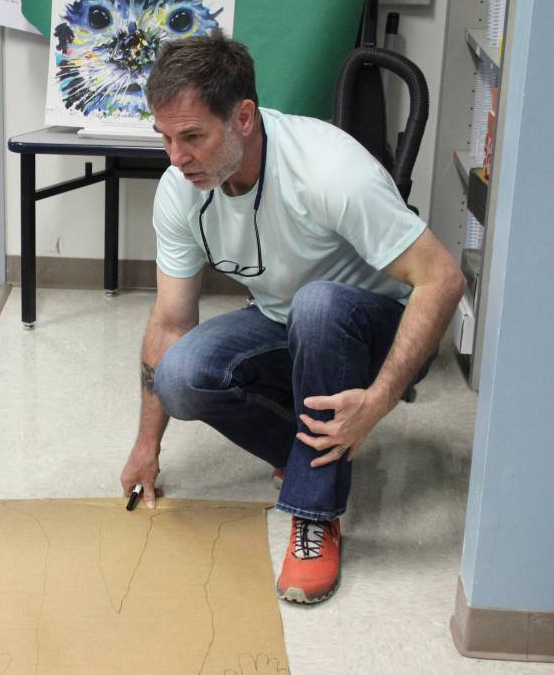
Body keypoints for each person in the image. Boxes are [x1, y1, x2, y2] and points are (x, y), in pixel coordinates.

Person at [118, 33, 465, 604]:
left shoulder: (329, 170)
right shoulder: (180, 191)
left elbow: (443, 279)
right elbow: (171, 320)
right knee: (181, 376)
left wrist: (377, 401)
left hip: (382, 330)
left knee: (319, 303)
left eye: (192, 138)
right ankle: (310, 457)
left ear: (245, 117)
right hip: (285, 323)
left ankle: (316, 514)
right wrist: (146, 445)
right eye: (166, 138)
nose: (176, 158)